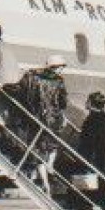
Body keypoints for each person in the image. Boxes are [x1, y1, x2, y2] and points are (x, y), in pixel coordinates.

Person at [18, 55, 69, 190]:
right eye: (60, 67)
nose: (61, 70)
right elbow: (63, 102)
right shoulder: (59, 81)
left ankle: (45, 182)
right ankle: (50, 165)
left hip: (36, 118)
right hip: (53, 119)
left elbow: (22, 92)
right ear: (55, 67)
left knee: (38, 150)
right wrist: (61, 114)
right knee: (53, 146)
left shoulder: (32, 77)